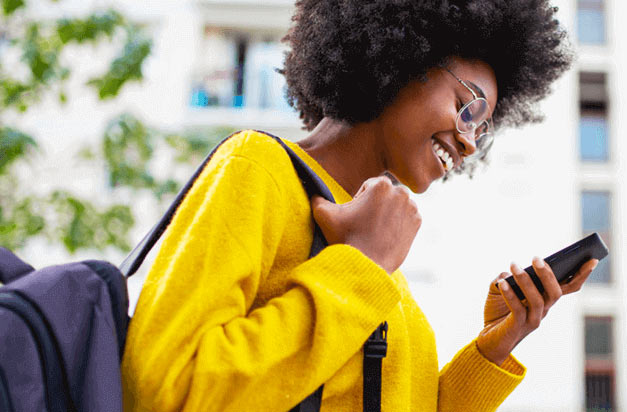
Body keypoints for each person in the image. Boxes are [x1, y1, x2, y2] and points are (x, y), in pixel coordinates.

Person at [121, 0, 598, 410]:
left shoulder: (379, 254)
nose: (470, 143)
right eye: (467, 106)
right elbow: (166, 390)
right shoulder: (259, 168)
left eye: (483, 130)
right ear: (405, 59)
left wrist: (494, 347)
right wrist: (360, 266)